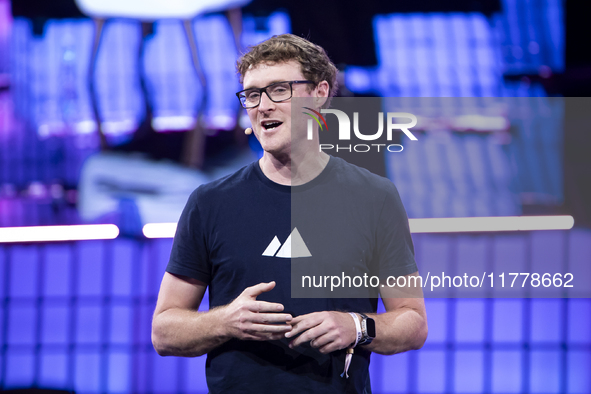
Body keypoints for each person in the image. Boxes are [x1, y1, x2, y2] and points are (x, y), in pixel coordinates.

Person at [152, 34, 428, 393]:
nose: (262, 106)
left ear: (320, 94)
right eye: (252, 94)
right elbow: (164, 331)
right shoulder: (210, 202)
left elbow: (413, 322)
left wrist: (357, 327)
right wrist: (224, 321)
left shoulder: (374, 197)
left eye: (279, 90)